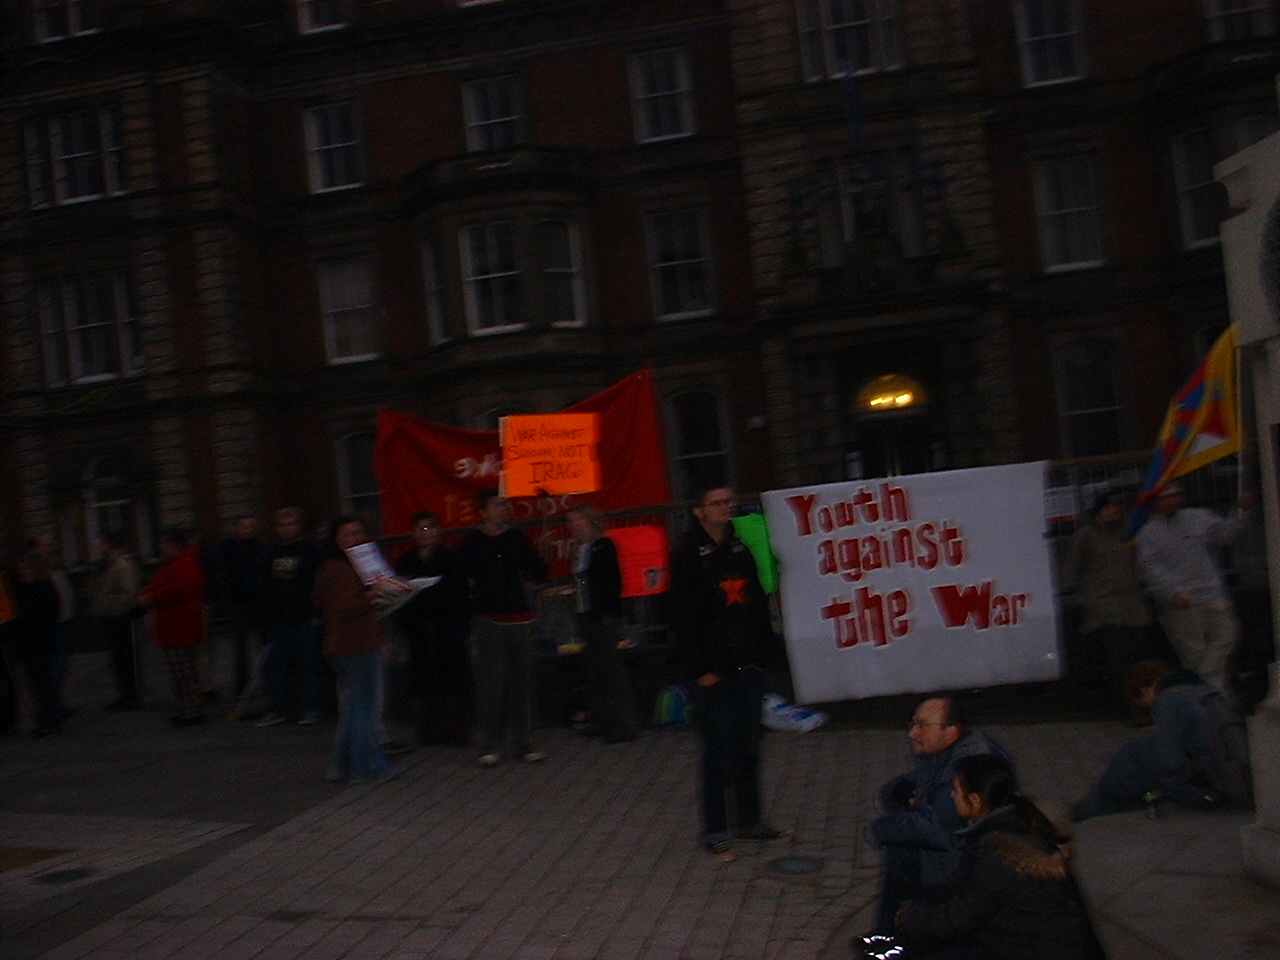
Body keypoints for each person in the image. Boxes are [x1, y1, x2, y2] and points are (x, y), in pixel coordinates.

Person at [669, 485, 787, 861]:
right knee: (717, 750)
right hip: (713, 670)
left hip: (747, 663)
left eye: (729, 502)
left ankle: (750, 821)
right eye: (717, 502)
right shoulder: (687, 554)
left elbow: (755, 604)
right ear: (700, 510)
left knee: (748, 746)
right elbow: (682, 617)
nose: (726, 508)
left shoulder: (739, 549)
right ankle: (716, 829)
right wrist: (699, 669)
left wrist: (765, 653)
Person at [894, 754, 1104, 960]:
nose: (951, 795)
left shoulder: (1000, 854)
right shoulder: (1018, 824)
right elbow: (962, 882)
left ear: (975, 801)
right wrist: (922, 896)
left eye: (956, 789)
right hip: (1047, 944)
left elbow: (958, 919)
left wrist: (910, 916)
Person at [867, 697, 1009, 934]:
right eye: (912, 724)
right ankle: (890, 934)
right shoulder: (942, 755)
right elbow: (896, 790)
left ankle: (894, 935)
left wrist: (878, 829)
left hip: (968, 862)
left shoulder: (969, 766)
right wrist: (900, 794)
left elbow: (936, 827)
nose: (913, 733)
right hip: (962, 854)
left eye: (923, 725)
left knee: (903, 849)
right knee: (903, 846)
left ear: (950, 731)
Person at [1069, 659, 1251, 820]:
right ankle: (1096, 803)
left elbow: (1172, 762)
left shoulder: (1168, 701)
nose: (1149, 707)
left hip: (1212, 789)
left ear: (1144, 690)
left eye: (1144, 702)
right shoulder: (1202, 689)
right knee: (1142, 752)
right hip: (1236, 780)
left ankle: (1089, 808)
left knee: (1131, 754)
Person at [1135, 482, 1254, 704]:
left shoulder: (1199, 517)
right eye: (1167, 497)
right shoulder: (1148, 534)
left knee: (1229, 634)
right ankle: (1212, 698)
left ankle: (1205, 688)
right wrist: (1173, 592)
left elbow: (1225, 534)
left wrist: (1241, 511)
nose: (1174, 500)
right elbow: (1150, 569)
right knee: (1193, 652)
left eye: (1177, 495)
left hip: (1211, 593)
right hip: (1182, 603)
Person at [458, 490, 548, 767]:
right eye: (497, 505)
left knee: (522, 682)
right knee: (490, 685)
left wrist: (541, 553)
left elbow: (537, 571)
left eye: (504, 504)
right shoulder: (473, 541)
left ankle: (525, 742)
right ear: (483, 512)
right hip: (488, 617)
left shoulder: (515, 537)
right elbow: (462, 576)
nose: (503, 509)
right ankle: (490, 744)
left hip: (517, 615)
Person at [312, 515, 396, 785]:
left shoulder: (354, 564)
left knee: (353, 708)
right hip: (353, 644)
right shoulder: (338, 568)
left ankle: (342, 766)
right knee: (363, 709)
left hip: (353, 642)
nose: (355, 538)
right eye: (348, 534)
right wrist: (375, 593)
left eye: (358, 532)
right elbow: (345, 608)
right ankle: (367, 767)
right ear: (336, 540)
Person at [1061, 489, 1156, 719]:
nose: (1115, 511)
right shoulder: (1085, 536)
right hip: (1104, 610)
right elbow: (1070, 574)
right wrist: (1085, 602)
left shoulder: (1127, 532)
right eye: (1110, 507)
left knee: (1142, 662)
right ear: (1099, 511)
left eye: (1118, 506)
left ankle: (1146, 707)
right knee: (1120, 664)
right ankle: (1130, 711)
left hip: (1133, 607)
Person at [393, 510, 471, 746]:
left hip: (446, 627)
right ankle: (427, 732)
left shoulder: (450, 559)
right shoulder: (406, 561)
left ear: (437, 531)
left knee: (452, 678)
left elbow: (459, 595)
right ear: (413, 533)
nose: (424, 533)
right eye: (420, 529)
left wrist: (460, 627)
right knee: (422, 679)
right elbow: (398, 598)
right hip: (418, 629)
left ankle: (456, 732)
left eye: (429, 528)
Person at [567, 503, 638, 744]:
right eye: (572, 522)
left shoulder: (603, 546)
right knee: (595, 670)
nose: (574, 526)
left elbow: (611, 582)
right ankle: (601, 719)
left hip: (601, 615)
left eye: (579, 520)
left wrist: (608, 611)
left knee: (611, 671)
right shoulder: (580, 549)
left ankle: (623, 723)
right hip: (586, 613)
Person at [258, 507, 323, 727]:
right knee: (277, 667)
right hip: (278, 619)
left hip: (303, 617)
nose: (287, 529)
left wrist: (315, 612)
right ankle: (278, 708)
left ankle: (311, 707)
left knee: (308, 665)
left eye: (291, 524)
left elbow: (317, 583)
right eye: (282, 525)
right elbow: (264, 586)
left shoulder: (310, 550)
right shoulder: (269, 553)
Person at [138, 528, 208, 727]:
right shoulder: (170, 565)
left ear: (174, 544)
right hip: (172, 627)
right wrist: (147, 594)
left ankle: (192, 711)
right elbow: (159, 585)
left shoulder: (185, 564)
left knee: (185, 672)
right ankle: (187, 709)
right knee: (180, 672)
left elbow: (176, 590)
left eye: (164, 543)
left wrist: (150, 597)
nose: (161, 547)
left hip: (181, 627)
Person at [10, 552, 63, 736]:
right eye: (21, 570)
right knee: (34, 684)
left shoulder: (44, 588)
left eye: (27, 569)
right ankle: (44, 718)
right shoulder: (19, 591)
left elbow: (48, 614)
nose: (25, 573)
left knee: (44, 683)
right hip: (27, 645)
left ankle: (51, 719)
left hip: (41, 642)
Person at [212, 515, 265, 701]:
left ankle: (260, 683)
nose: (248, 530)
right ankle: (242, 686)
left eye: (250, 526)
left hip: (255, 601)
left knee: (259, 644)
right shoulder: (227, 548)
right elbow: (221, 574)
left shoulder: (257, 546)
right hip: (238, 602)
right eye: (244, 526)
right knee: (241, 646)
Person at [88, 530, 142, 711]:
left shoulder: (122, 565)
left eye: (101, 543)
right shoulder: (106, 565)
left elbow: (127, 593)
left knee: (125, 658)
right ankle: (124, 693)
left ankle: (130, 695)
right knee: (117, 659)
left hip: (120, 619)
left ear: (110, 545)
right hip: (109, 618)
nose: (98, 547)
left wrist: (112, 609)